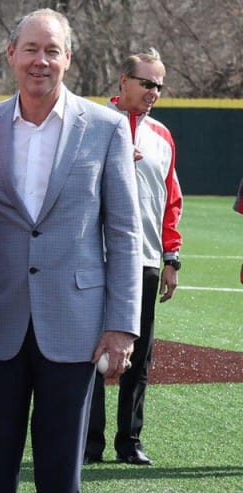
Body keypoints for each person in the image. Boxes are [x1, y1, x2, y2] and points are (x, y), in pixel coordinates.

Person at [0, 9, 142, 493]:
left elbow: (126, 233)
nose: (41, 61)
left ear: (68, 59)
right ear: (10, 55)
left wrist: (122, 324)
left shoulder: (105, 128)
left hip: (75, 327)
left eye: (52, 50)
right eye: (30, 49)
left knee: (61, 477)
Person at [85, 49, 183, 467]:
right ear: (123, 81)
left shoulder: (162, 135)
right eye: (146, 83)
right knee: (89, 351)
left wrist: (172, 258)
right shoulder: (89, 125)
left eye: (159, 85)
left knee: (138, 355)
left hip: (143, 258)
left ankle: (129, 442)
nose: (153, 92)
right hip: (93, 256)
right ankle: (88, 444)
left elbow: (171, 200)